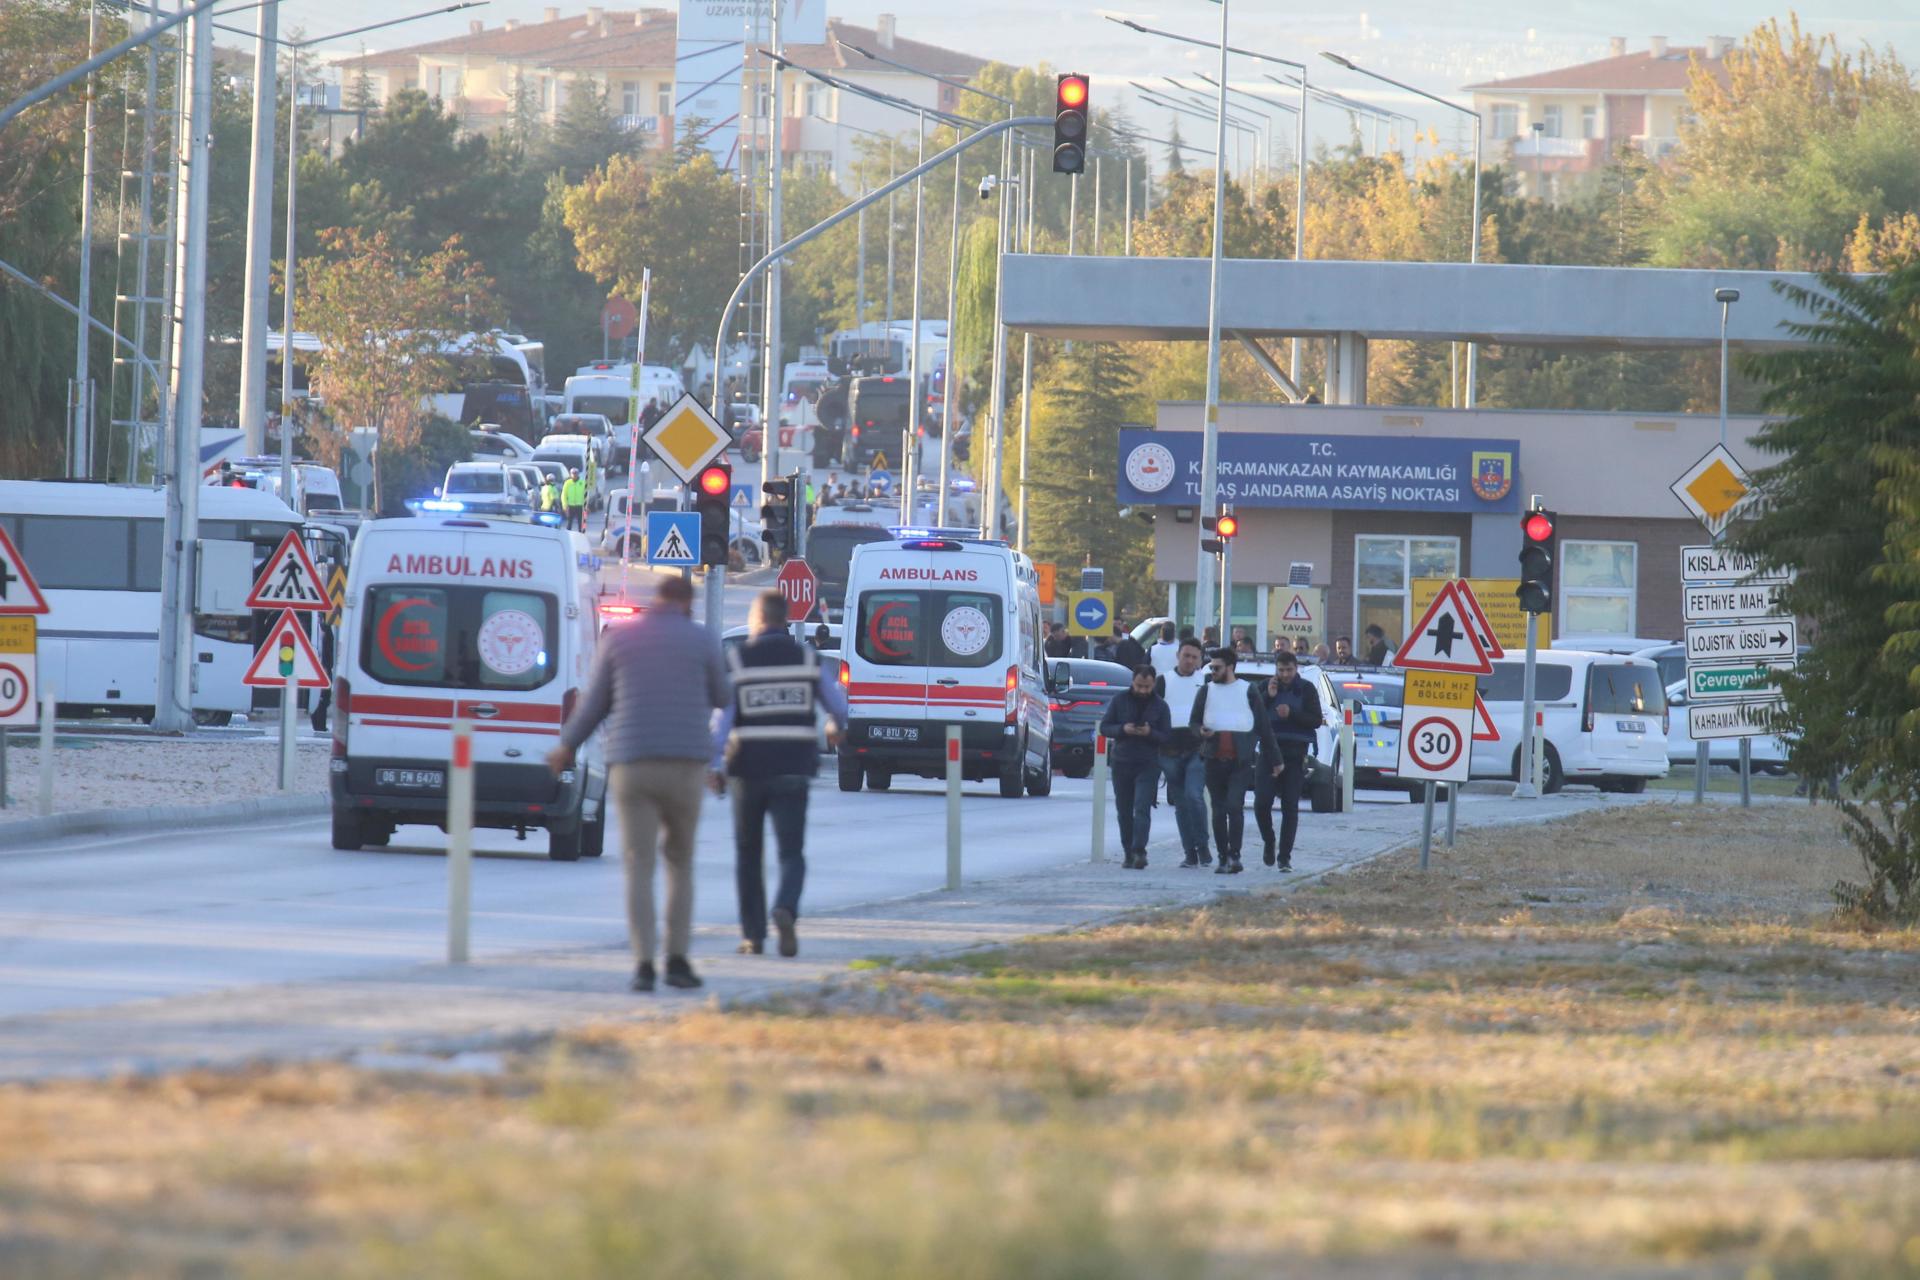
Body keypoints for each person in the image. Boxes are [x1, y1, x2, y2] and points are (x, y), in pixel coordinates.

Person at [550, 575, 729, 993]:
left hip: (632, 763)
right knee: (680, 863)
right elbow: (723, 696)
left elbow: (594, 705)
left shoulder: (620, 640)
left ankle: (644, 965)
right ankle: (679, 960)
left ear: (656, 602)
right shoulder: (703, 641)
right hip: (685, 763)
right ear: (687, 603)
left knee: (638, 864)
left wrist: (565, 747)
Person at [711, 591, 848, 957]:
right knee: (791, 852)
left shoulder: (738, 661)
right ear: (785, 620)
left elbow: (723, 722)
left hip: (748, 770)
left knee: (748, 853)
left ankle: (753, 936)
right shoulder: (806, 659)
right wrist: (835, 725)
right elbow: (837, 704)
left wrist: (715, 766)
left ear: (757, 620)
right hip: (793, 767)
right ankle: (785, 908)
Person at [1190, 646, 1279, 876]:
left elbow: (1264, 727)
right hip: (1213, 759)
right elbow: (1193, 723)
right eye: (1211, 667)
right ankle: (1222, 856)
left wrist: (1275, 759)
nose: (1213, 671)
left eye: (1217, 668)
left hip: (1240, 761)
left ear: (1230, 667)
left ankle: (1235, 855)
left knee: (1234, 806)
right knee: (1218, 811)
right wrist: (1201, 732)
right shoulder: (1206, 691)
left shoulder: (1248, 691)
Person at [1253, 650, 1324, 872]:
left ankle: (1284, 857)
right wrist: (1268, 697)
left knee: (1290, 806)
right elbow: (1253, 714)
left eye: (1289, 670)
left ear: (1296, 669)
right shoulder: (1266, 686)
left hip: (1295, 754)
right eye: (1281, 670)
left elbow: (1315, 720)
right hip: (1268, 752)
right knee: (1261, 802)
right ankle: (1269, 841)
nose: (1285, 675)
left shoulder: (1306, 689)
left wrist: (1291, 713)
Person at [1098, 665, 1172, 870]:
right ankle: (1128, 852)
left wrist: (1150, 732)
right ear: (1133, 681)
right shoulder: (1119, 700)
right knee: (1123, 810)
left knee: (1141, 808)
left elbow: (1166, 736)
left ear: (1153, 684)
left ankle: (1139, 850)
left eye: (1147, 687)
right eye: (1139, 686)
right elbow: (1105, 727)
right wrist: (1123, 729)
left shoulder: (1161, 706)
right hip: (1122, 762)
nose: (1142, 691)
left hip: (1148, 763)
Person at [1155, 637, 1213, 868]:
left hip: (1197, 750)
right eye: (1185, 655)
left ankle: (1203, 845)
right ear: (1178, 655)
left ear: (1200, 661)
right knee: (1181, 804)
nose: (1189, 660)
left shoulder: (1206, 683)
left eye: (1194, 657)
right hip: (1169, 751)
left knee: (1194, 796)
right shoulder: (1163, 681)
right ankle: (1190, 853)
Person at [561, 467, 587, 533]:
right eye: (573, 473)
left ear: (578, 474)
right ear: (570, 474)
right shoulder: (567, 483)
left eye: (576, 473)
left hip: (580, 506)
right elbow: (564, 495)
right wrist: (565, 506)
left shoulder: (582, 483)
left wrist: (587, 506)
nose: (574, 475)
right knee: (569, 523)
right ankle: (567, 536)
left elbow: (586, 495)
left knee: (580, 523)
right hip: (571, 506)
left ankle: (581, 535)